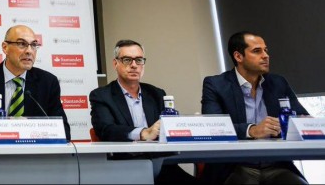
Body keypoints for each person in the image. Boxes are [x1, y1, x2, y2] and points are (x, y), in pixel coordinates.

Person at [201, 31, 309, 184]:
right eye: (257, 51)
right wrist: (252, 130)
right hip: (235, 166)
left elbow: (302, 117)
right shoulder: (216, 85)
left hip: (277, 164)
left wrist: (304, 123)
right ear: (238, 56)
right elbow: (212, 127)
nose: (265, 55)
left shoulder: (278, 82)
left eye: (266, 50)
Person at [89, 39, 197, 184]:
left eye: (139, 60)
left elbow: (167, 130)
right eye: (127, 60)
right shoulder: (102, 95)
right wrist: (143, 133)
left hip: (162, 165)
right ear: (115, 64)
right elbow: (106, 130)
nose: (134, 65)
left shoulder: (157, 93)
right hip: (125, 167)